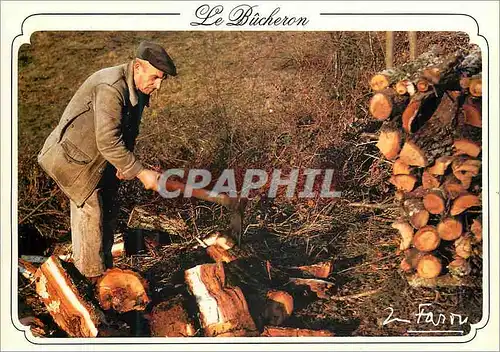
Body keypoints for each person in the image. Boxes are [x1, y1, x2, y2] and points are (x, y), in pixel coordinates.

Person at [37, 41, 176, 281]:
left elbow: (127, 131)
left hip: (100, 159)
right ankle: (92, 282)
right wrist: (141, 172)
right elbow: (109, 141)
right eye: (155, 78)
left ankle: (105, 274)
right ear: (139, 67)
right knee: (92, 215)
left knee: (109, 212)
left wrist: (125, 166)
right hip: (74, 160)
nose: (159, 86)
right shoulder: (111, 87)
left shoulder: (138, 88)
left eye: (162, 79)